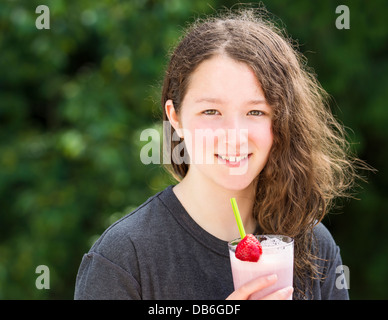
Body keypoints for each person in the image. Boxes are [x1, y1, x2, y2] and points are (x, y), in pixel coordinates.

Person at [74, 7, 366, 300]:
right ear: (175, 118)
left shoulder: (313, 247)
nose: (234, 134)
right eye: (211, 111)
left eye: (255, 111)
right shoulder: (123, 259)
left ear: (281, 121)